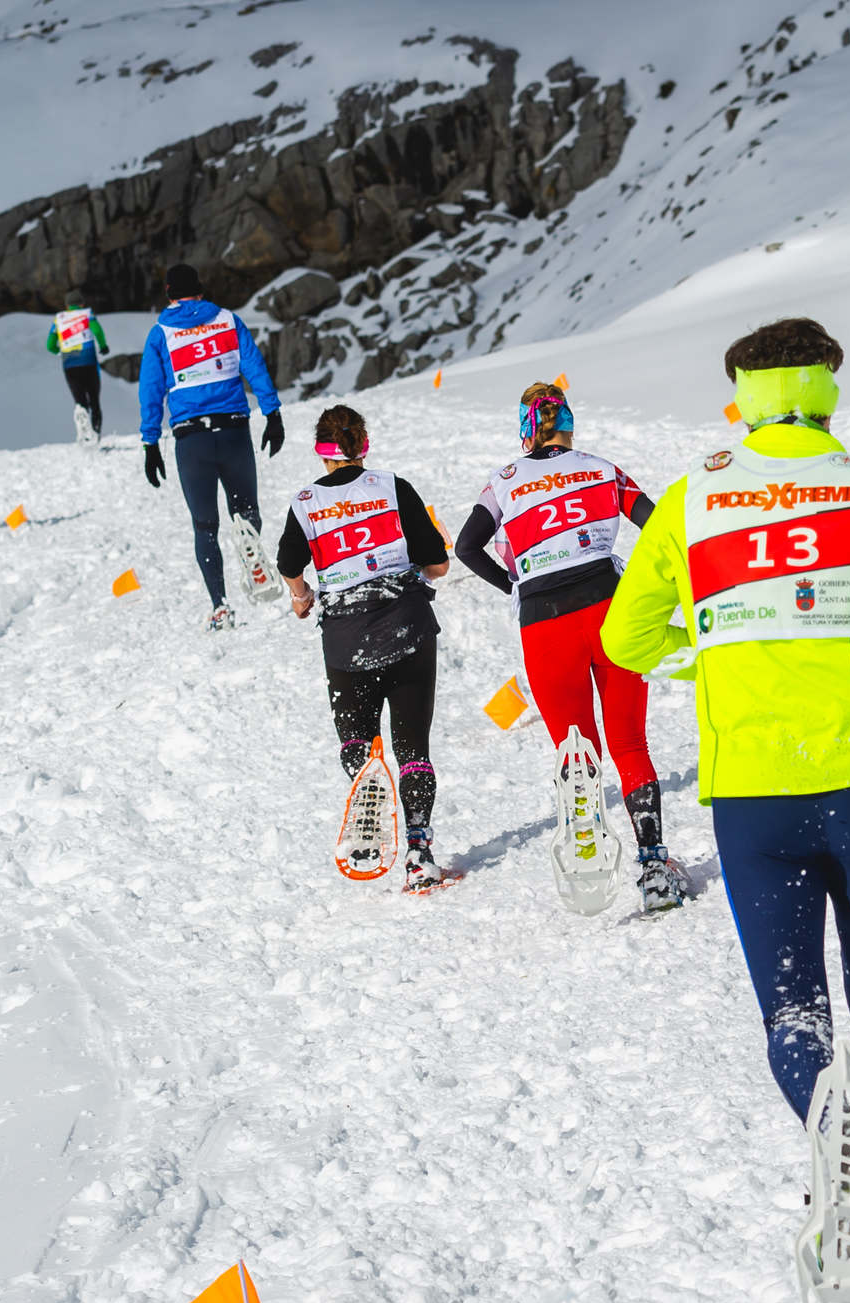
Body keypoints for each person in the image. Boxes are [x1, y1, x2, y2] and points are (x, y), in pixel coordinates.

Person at [598, 317, 850, 1242]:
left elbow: (625, 642)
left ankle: (839, 1155)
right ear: (826, 385)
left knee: (793, 1010)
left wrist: (709, 657)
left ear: (744, 397)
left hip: (753, 798)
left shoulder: (689, 502)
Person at [452, 381, 693, 914]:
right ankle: (653, 865)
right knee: (630, 743)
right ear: (568, 424)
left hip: (543, 621)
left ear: (525, 430)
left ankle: (586, 850)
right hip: (610, 607)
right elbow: (657, 527)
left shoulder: (504, 482)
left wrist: (513, 585)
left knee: (577, 753)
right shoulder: (602, 467)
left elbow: (465, 546)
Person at [277, 405, 451, 890]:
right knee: (413, 747)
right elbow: (438, 565)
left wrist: (301, 595)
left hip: (346, 640)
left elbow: (288, 560)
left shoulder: (306, 502)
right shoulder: (393, 487)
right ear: (363, 444)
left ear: (321, 450)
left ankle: (366, 786)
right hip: (408, 628)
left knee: (357, 739)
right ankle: (419, 850)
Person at [138, 262, 287, 630]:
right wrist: (272, 413)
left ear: (170, 294)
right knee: (246, 510)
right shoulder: (227, 320)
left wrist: (150, 442)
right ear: (200, 290)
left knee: (204, 526)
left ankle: (220, 606)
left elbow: (151, 390)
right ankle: (248, 540)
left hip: (192, 441)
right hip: (234, 430)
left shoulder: (160, 334)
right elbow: (254, 366)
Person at [45, 289, 110, 443]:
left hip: (69, 365)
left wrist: (60, 352)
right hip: (89, 362)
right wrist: (103, 346)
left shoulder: (58, 319)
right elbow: (97, 331)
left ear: (67, 306)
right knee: (94, 399)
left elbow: (49, 345)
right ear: (81, 303)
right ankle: (96, 434)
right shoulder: (87, 314)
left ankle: (84, 432)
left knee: (80, 401)